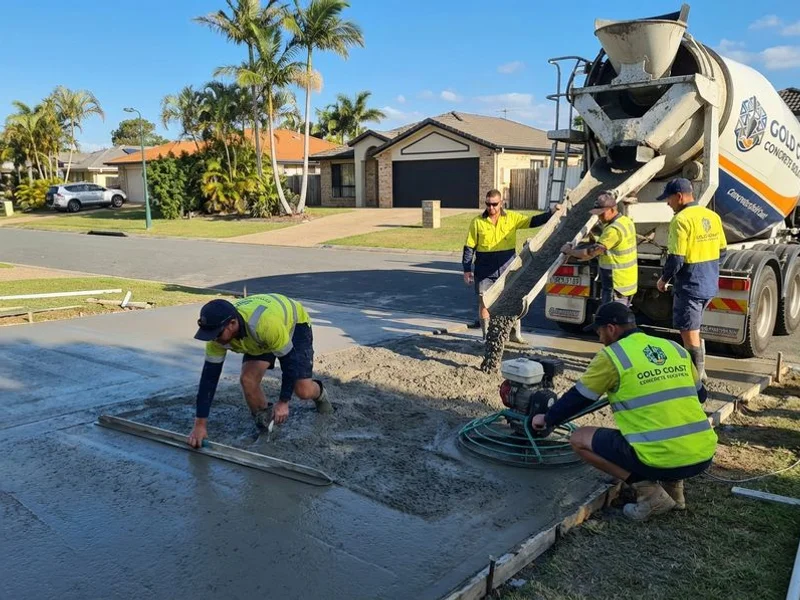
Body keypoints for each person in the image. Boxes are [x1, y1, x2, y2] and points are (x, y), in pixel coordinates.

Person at [532, 302, 717, 521]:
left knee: (579, 439)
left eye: (599, 332)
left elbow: (579, 397)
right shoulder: (673, 347)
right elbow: (701, 396)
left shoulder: (613, 356)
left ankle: (650, 494)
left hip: (660, 458)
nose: (600, 338)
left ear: (611, 328)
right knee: (668, 424)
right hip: (702, 455)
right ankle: (675, 494)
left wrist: (548, 418)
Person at [188, 294, 332, 448]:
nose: (214, 340)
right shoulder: (216, 339)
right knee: (247, 380)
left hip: (292, 325)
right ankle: (267, 427)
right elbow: (209, 379)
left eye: (217, 334)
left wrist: (283, 402)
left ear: (232, 323)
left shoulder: (265, 325)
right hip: (257, 336)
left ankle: (321, 395)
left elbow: (289, 364)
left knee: (303, 391)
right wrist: (200, 424)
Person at [463, 189, 561, 342]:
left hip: (507, 268)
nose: (491, 208)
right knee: (484, 303)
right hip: (484, 270)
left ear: (500, 203)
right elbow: (469, 247)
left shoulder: (512, 218)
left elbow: (533, 221)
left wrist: (551, 212)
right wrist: (467, 270)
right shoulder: (477, 222)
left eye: (494, 204)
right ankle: (486, 337)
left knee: (512, 301)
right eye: (488, 204)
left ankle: (515, 334)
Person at [655, 178, 727, 380]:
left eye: (668, 199)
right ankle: (698, 373)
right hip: (708, 283)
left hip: (690, 285)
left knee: (688, 332)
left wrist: (664, 279)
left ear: (679, 197)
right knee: (694, 328)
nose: (667, 204)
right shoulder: (712, 216)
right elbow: (722, 251)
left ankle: (696, 378)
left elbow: (676, 257)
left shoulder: (681, 220)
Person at [560, 191, 638, 305]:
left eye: (602, 213)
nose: (599, 217)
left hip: (616, 285)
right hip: (627, 283)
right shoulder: (625, 221)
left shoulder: (613, 230)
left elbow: (589, 253)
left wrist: (569, 251)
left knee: (610, 320)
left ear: (612, 209)